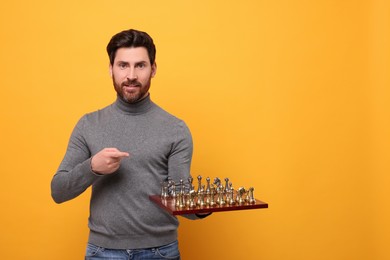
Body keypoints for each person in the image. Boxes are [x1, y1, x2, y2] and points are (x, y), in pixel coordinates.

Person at [51, 29, 210, 260]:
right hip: (102, 253)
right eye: (123, 65)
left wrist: (203, 208)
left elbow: (179, 199)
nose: (131, 75)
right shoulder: (88, 124)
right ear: (111, 69)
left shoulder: (176, 129)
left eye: (140, 65)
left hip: (160, 252)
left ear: (153, 69)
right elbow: (58, 191)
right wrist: (92, 167)